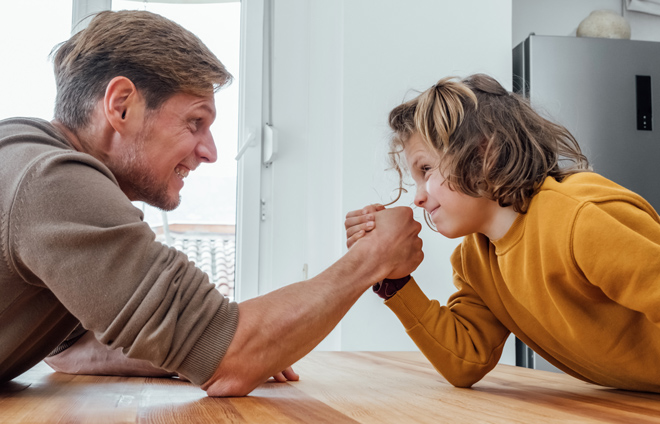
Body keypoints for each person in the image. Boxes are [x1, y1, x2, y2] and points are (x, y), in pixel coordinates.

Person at [0, 10, 424, 397]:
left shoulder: (27, 160)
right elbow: (232, 360)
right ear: (121, 105)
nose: (210, 151)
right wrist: (373, 258)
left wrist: (189, 353)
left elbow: (69, 349)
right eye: (194, 122)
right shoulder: (52, 181)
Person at [344, 73, 660, 393]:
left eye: (425, 170)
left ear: (483, 153)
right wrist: (394, 281)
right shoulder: (475, 259)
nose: (418, 197)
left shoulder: (576, 218)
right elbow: (465, 359)